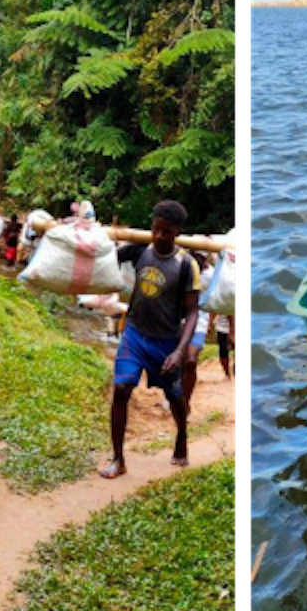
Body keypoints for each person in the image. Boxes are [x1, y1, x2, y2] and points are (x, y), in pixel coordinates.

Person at [99, 199, 201, 479]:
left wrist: (180, 352)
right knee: (121, 390)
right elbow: (102, 257)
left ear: (177, 231)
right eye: (156, 229)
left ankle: (182, 434)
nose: (159, 236)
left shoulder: (186, 266)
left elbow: (192, 313)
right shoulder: (139, 252)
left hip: (167, 340)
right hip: (134, 333)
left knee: (175, 397)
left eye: (166, 232)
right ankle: (118, 459)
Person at [182, 254, 214, 411]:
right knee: (178, 363)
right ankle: (176, 396)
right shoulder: (181, 268)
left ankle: (185, 400)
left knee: (191, 361)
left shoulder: (211, 275)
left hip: (199, 323)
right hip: (176, 322)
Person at [215, 312, 236, 379]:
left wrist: (233, 332)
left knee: (223, 351)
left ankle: (228, 374)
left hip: (224, 327)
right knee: (223, 351)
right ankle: (227, 374)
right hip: (222, 327)